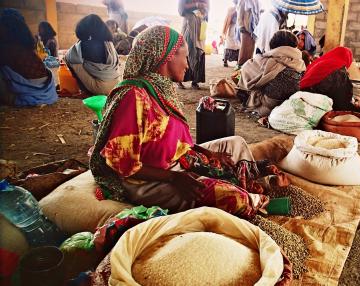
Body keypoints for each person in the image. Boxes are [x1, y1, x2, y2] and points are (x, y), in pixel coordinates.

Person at [89, 25, 278, 218]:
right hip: (146, 182)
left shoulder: (161, 90)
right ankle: (259, 202)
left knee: (236, 143)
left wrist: (208, 153)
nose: (188, 64)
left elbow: (173, 142)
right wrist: (174, 178)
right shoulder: (134, 96)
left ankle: (249, 186)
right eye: (185, 56)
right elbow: (122, 164)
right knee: (231, 196)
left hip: (177, 165)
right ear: (168, 55)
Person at [238, 30, 305, 117]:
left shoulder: (267, 60)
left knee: (247, 90)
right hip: (290, 104)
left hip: (269, 106)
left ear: (274, 44)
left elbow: (246, 68)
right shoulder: (300, 61)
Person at [0, 9, 57, 107]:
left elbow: (48, 53)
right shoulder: (25, 45)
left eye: (41, 29)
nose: (39, 31)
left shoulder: (8, 48)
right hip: (49, 94)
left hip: (31, 96)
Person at [64, 14, 121, 95]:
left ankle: (86, 91)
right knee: (82, 61)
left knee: (71, 59)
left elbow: (68, 56)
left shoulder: (85, 45)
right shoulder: (109, 44)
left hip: (101, 88)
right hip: (116, 85)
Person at [300, 46, 354, 111]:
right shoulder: (339, 71)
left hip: (302, 97)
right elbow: (343, 101)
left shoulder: (319, 62)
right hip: (315, 105)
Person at [178, 0, 209, 89]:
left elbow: (207, 8)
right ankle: (179, 80)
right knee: (186, 52)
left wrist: (204, 7)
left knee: (199, 53)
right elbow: (181, 10)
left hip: (200, 27)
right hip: (189, 26)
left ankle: (195, 81)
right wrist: (196, 4)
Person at [236, 0, 260, 67]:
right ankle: (239, 68)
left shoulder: (256, 2)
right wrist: (241, 26)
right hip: (245, 28)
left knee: (251, 50)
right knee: (244, 51)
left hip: (254, 29)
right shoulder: (243, 1)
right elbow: (239, 14)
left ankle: (247, 68)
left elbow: (257, 15)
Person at [221, 3, 240, 67]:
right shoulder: (231, 9)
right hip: (232, 29)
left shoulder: (240, 8)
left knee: (238, 46)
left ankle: (238, 61)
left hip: (238, 29)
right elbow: (227, 21)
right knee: (229, 45)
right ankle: (225, 61)